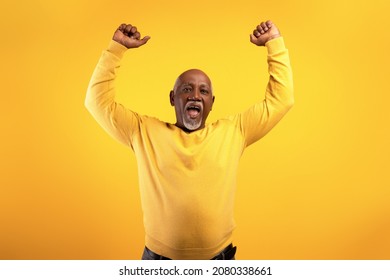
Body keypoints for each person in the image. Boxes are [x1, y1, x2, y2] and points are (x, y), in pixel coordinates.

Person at [85, 20, 294, 260]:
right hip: (159, 262)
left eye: (203, 91)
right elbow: (96, 102)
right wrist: (116, 48)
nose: (195, 95)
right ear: (173, 98)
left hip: (219, 261)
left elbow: (282, 100)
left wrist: (274, 43)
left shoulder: (235, 131)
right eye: (187, 89)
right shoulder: (143, 131)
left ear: (211, 103)